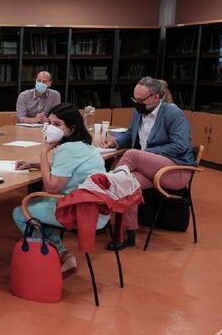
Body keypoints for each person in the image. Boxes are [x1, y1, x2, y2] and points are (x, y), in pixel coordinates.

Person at [12, 103, 110, 275]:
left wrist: (42, 154)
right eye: (49, 123)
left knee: (20, 212)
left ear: (71, 128)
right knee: (39, 203)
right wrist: (36, 165)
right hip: (95, 206)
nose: (50, 128)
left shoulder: (67, 150)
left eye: (57, 125)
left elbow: (51, 188)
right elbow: (66, 169)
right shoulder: (84, 145)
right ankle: (53, 248)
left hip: (83, 211)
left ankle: (60, 254)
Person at [100, 76, 196, 249]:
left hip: (175, 170)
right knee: (128, 183)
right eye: (134, 99)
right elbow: (130, 135)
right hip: (152, 169)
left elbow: (180, 146)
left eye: (140, 100)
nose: (136, 103)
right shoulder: (139, 112)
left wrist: (145, 154)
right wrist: (114, 143)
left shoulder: (173, 114)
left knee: (132, 156)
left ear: (155, 98)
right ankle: (127, 234)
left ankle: (107, 185)